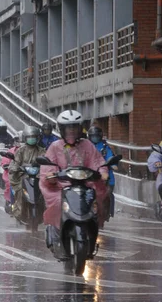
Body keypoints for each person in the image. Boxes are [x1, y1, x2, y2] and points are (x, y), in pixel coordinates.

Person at [39, 110, 109, 259]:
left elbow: (98, 162)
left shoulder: (88, 145)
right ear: (61, 129)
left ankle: (93, 232)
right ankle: (56, 235)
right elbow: (48, 166)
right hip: (61, 186)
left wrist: (103, 172)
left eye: (74, 127)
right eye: (68, 127)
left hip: (86, 186)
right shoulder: (55, 146)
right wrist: (50, 175)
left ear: (80, 128)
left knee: (97, 202)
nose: (71, 130)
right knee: (58, 202)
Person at [9, 126, 46, 218]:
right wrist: (15, 168)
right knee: (20, 190)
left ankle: (46, 211)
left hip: (38, 176)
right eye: (29, 137)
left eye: (33, 136)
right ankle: (18, 210)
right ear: (25, 138)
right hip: (23, 176)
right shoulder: (20, 150)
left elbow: (47, 162)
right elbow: (15, 162)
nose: (31, 139)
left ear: (38, 138)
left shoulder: (42, 151)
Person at [87, 126, 118, 221]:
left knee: (108, 193)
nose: (95, 138)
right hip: (88, 175)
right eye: (93, 136)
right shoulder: (86, 146)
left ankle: (106, 212)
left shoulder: (105, 147)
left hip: (104, 176)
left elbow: (110, 157)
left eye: (97, 136)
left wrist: (112, 164)